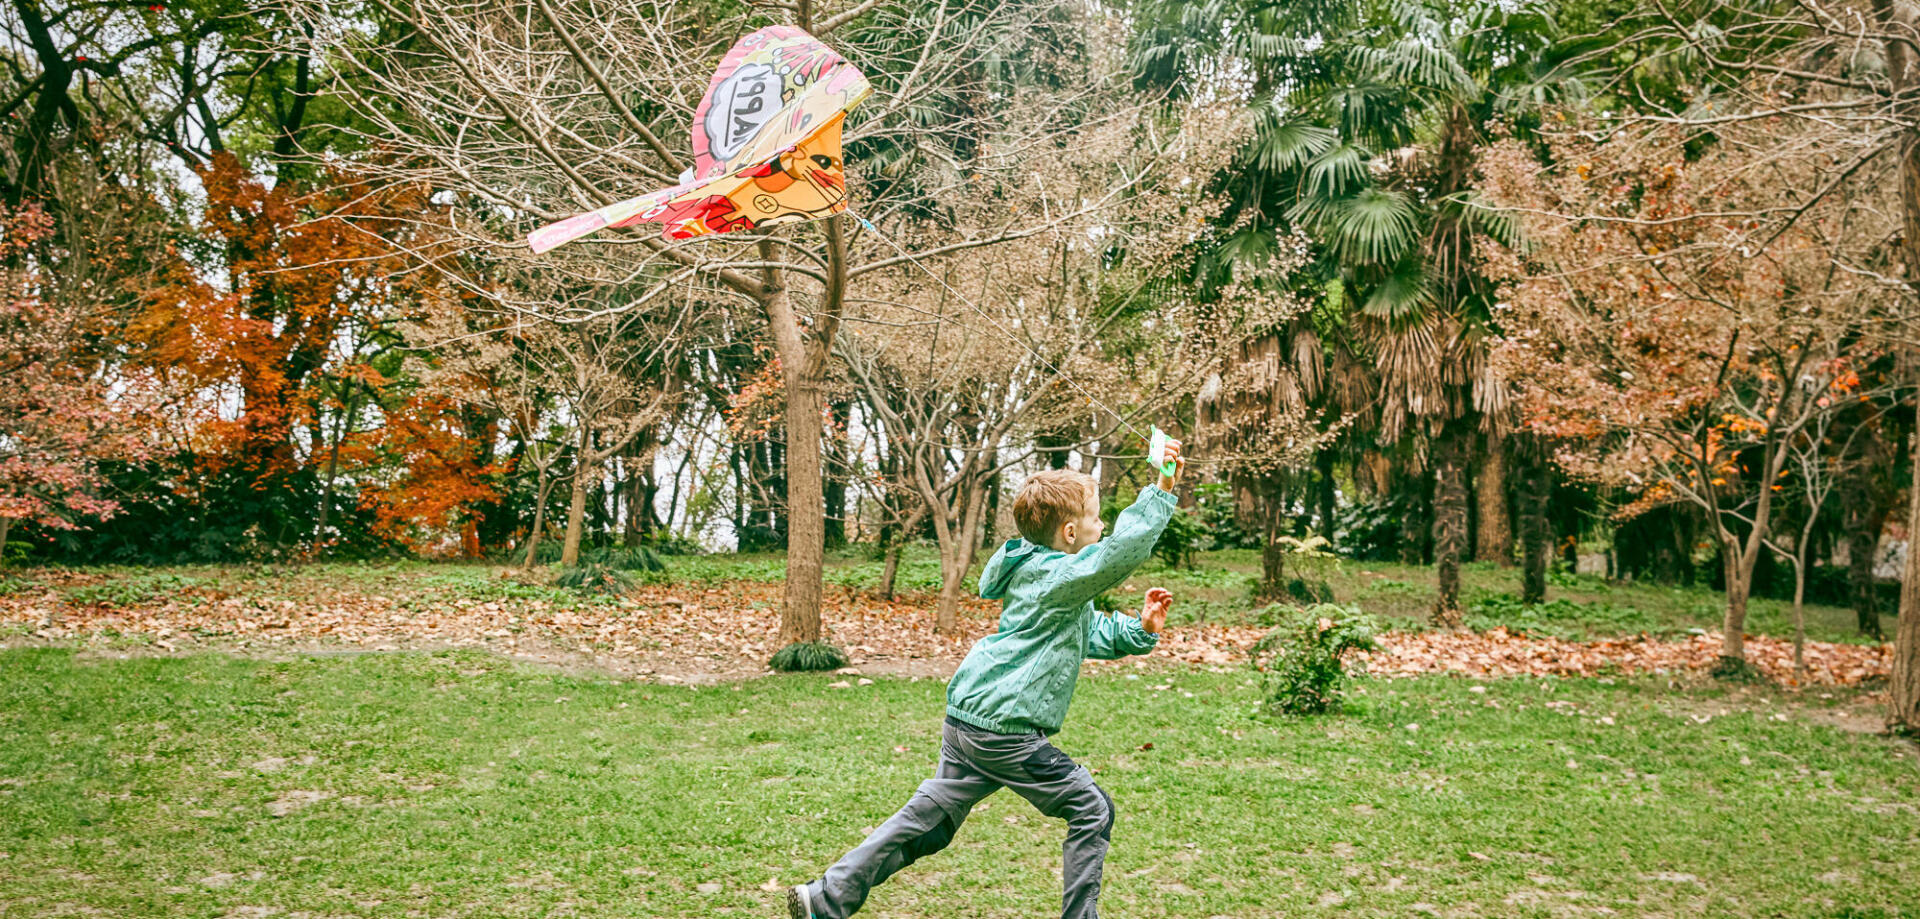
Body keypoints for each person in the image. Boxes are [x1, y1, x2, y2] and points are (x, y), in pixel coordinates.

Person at [788, 440, 1186, 919]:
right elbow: (1119, 553)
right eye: (1098, 519)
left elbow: (1088, 634)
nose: (1103, 527)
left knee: (932, 827)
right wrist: (1162, 488)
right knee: (1092, 808)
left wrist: (1140, 629)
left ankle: (826, 897)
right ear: (1069, 532)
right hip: (1004, 732)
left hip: (968, 722)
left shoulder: (1045, 578)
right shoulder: (1058, 577)